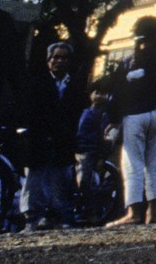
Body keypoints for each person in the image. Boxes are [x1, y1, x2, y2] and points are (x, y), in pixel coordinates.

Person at [109, 16, 156, 226]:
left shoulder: (128, 61)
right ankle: (153, 212)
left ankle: (133, 212)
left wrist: (113, 119)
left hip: (135, 115)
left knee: (133, 163)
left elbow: (116, 93)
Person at [22, 41, 84, 229]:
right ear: (48, 60)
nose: (60, 61)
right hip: (39, 138)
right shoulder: (37, 83)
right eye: (56, 57)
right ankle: (32, 219)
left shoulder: (75, 85)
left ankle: (61, 217)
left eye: (64, 58)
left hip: (63, 139)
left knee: (62, 179)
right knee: (35, 181)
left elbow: (76, 113)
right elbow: (30, 112)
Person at [74, 88, 111, 225]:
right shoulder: (85, 111)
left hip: (90, 151)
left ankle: (93, 212)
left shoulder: (104, 115)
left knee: (85, 181)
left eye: (102, 93)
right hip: (78, 149)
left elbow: (106, 137)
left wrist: (101, 156)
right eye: (96, 92)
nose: (98, 96)